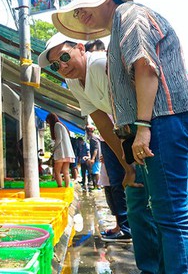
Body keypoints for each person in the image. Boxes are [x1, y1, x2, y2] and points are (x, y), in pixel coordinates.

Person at [52, 0, 188, 273]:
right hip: (152, 125)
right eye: (77, 12)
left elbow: (146, 68)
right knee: (157, 213)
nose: (81, 16)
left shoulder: (129, 14)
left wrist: (143, 127)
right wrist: (129, 155)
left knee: (171, 217)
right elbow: (104, 118)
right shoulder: (118, 28)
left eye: (84, 7)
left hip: (166, 119)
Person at [38, 33, 135, 243]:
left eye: (64, 57)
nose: (62, 67)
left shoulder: (100, 65)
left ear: (81, 48)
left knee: (164, 210)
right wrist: (126, 164)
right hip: (127, 130)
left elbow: (130, 105)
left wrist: (134, 150)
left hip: (148, 123)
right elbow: (102, 122)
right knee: (136, 197)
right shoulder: (72, 82)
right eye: (55, 66)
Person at [45, 113, 75, 187]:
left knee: (57, 171)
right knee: (66, 172)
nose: (48, 124)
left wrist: (53, 149)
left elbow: (59, 139)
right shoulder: (61, 125)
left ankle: (60, 186)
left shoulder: (57, 125)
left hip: (61, 152)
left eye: (48, 122)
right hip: (68, 153)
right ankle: (67, 188)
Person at [86, 125, 101, 191]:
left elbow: (95, 149)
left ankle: (98, 187)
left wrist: (92, 159)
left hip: (96, 158)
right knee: (95, 172)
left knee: (96, 172)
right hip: (97, 157)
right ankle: (97, 186)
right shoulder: (95, 138)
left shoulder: (93, 138)